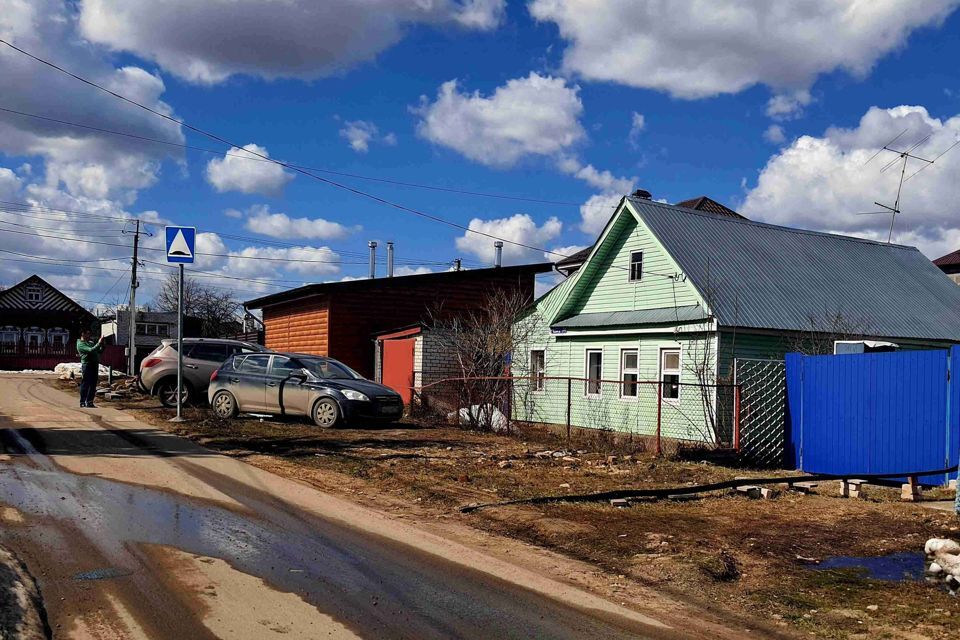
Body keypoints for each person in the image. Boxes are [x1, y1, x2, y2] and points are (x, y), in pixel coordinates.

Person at [76, 328, 104, 408]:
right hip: (87, 364)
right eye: (87, 334)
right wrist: (98, 343)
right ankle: (82, 401)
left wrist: (102, 345)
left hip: (94, 364)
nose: (89, 335)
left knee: (93, 384)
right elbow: (91, 350)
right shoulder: (80, 344)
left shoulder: (90, 342)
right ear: (83, 334)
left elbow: (98, 351)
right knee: (85, 383)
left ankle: (90, 401)